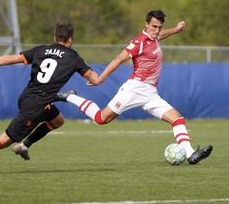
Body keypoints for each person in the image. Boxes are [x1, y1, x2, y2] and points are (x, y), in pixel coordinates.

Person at [55, 10, 213, 165]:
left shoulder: (155, 37)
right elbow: (118, 59)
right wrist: (101, 78)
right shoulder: (139, 42)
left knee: (177, 119)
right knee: (101, 119)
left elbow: (161, 35)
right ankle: (70, 96)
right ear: (146, 24)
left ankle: (191, 153)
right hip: (135, 89)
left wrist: (176, 30)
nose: (157, 30)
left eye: (159, 27)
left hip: (150, 93)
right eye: (154, 27)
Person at [0, 21, 100, 174]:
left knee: (58, 120)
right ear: (71, 40)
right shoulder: (74, 57)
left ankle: (24, 146)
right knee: (4, 141)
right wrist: (94, 75)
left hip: (27, 96)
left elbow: (11, 59)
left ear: (55, 38)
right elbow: (95, 80)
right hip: (36, 106)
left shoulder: (41, 50)